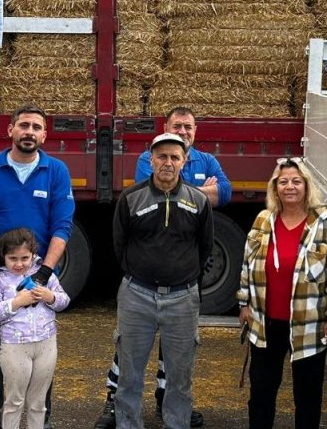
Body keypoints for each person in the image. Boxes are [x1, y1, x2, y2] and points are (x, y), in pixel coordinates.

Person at [95, 106, 229, 429]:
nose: (168, 162)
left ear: (186, 159)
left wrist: (185, 277)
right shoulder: (131, 198)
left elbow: (207, 238)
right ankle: (126, 421)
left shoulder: (197, 199)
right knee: (130, 370)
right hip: (138, 293)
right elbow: (120, 244)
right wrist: (140, 274)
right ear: (151, 159)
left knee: (180, 375)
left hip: (183, 296)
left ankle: (175, 421)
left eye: (175, 157)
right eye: (162, 157)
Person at [0, 105, 75, 429]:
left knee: (41, 351)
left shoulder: (56, 171)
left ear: (45, 135)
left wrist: (44, 274)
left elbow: (62, 226)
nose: (29, 132)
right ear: (10, 130)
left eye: (36, 127)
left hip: (35, 278)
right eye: (24, 125)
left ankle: (41, 419)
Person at [237, 158, 327, 429]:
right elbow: (247, 265)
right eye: (283, 181)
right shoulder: (263, 220)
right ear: (275, 188)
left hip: (308, 325)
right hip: (265, 323)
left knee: (308, 395)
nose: (290, 187)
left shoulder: (324, 225)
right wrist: (244, 303)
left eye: (296, 181)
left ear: (307, 186)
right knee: (262, 393)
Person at [0, 228, 71, 429]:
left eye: (25, 258)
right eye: (13, 258)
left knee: (38, 402)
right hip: (15, 346)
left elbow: (64, 301)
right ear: (3, 256)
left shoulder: (45, 276)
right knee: (14, 400)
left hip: (46, 343)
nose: (19, 263)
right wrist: (16, 302)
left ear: (33, 255)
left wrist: (50, 297)